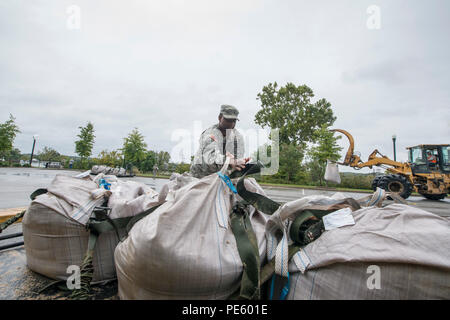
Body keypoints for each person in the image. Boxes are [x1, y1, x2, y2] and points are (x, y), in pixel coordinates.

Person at [190, 105, 250, 179]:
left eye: (234, 121)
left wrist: (239, 163)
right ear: (219, 118)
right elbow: (209, 160)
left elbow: (236, 161)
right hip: (200, 176)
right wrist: (229, 161)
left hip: (221, 177)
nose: (231, 124)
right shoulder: (209, 134)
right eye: (228, 120)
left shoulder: (238, 138)